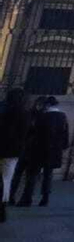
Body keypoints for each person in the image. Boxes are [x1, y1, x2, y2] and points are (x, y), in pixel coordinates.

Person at [17, 96, 69, 207]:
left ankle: (27, 198)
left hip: (38, 150)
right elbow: (65, 136)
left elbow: (33, 133)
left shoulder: (43, 117)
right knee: (48, 175)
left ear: (47, 105)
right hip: (54, 151)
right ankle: (45, 198)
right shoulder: (63, 116)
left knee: (32, 175)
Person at [0, 87, 32, 222]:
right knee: (6, 179)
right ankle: (2, 208)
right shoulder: (25, 114)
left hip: (3, 149)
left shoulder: (4, 111)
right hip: (13, 152)